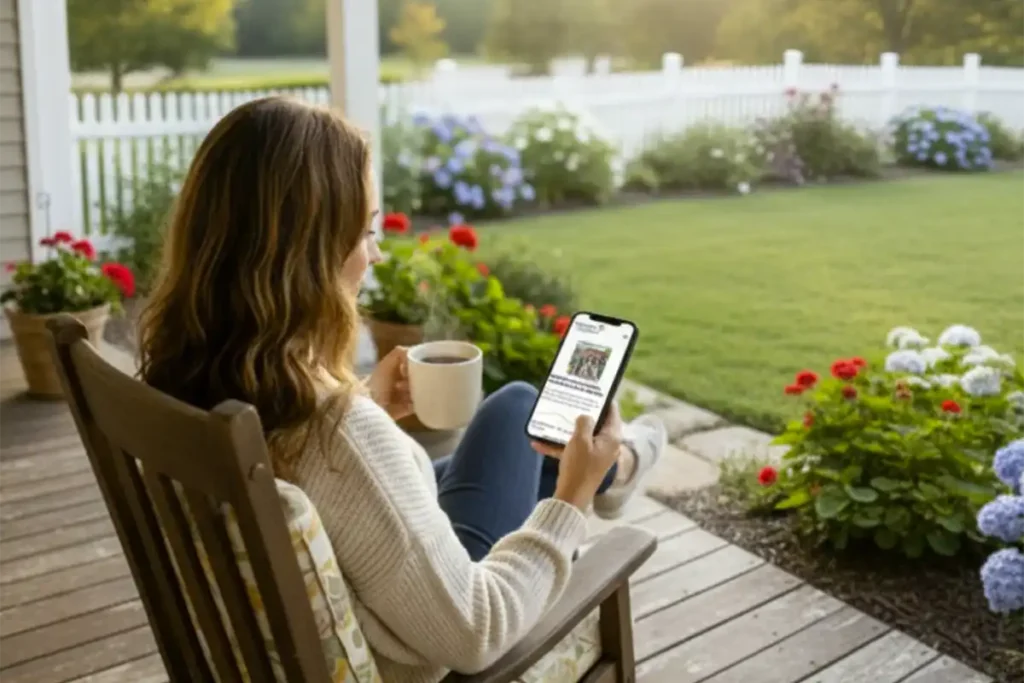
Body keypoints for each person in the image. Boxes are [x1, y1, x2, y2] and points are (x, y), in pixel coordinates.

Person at [137, 96, 666, 683]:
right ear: (304, 255)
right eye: (364, 231)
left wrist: (365, 403)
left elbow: (339, 484)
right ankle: (609, 472)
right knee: (531, 432)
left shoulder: (182, 377)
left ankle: (610, 468)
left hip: (381, 585)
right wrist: (570, 507)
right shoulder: (341, 437)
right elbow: (477, 629)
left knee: (516, 408)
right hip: (441, 624)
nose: (375, 253)